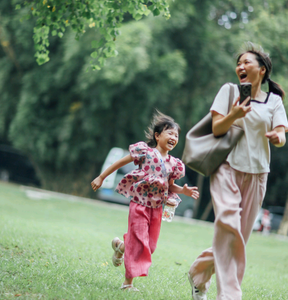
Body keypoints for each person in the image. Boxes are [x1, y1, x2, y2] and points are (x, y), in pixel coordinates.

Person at [187, 42, 288, 300]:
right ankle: (230, 296)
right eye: (238, 63)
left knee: (238, 239)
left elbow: (281, 134)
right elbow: (218, 128)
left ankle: (198, 273)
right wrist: (234, 114)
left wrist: (277, 138)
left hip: (258, 175)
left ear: (262, 70)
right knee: (228, 227)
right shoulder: (229, 90)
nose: (240, 67)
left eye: (247, 63)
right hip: (226, 169)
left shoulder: (274, 101)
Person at [91, 110, 199, 291]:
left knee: (150, 246)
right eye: (170, 133)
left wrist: (184, 191)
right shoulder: (145, 152)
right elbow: (121, 162)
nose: (174, 137)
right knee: (139, 243)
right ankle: (128, 283)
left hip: (157, 208)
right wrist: (101, 177)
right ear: (157, 136)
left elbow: (170, 186)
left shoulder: (174, 164)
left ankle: (120, 246)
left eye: (176, 135)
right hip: (139, 204)